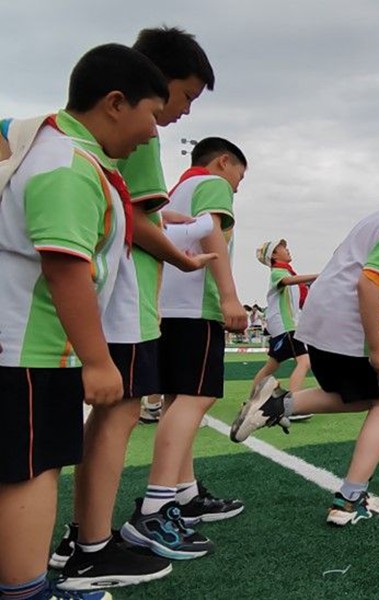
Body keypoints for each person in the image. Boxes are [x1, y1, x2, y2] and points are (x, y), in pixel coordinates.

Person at [51, 27, 224, 585]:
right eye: (183, 98)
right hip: (125, 295)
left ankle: (85, 538)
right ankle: (91, 543)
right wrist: (180, 256)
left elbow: (135, 209)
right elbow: (137, 222)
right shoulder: (137, 133)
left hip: (120, 293)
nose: (175, 117)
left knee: (116, 410)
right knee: (119, 409)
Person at [0, 43, 171, 599]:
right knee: (32, 469)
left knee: (25, 464)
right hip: (30, 348)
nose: (152, 131)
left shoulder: (57, 150)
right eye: (151, 113)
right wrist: (98, 361)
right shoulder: (69, 165)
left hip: (27, 346)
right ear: (116, 102)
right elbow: (65, 266)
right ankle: (27, 590)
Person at [229, 164, 379, 526]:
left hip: (320, 319)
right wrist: (378, 349)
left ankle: (277, 405)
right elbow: (368, 285)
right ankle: (350, 499)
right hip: (346, 322)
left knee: (357, 397)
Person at [120, 137, 249, 560]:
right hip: (195, 307)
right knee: (198, 396)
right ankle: (157, 506)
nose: (237, 186)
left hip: (167, 305)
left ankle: (184, 492)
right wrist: (230, 296)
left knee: (178, 399)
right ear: (223, 162)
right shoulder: (212, 183)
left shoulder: (175, 189)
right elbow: (213, 236)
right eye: (239, 176)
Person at [249, 239, 317, 402]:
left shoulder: (286, 273)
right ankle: (290, 404)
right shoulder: (278, 273)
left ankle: (252, 400)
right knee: (304, 362)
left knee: (271, 366)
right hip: (286, 327)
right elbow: (287, 282)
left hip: (283, 327)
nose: (287, 250)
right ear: (273, 255)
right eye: (282, 248)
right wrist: (318, 276)